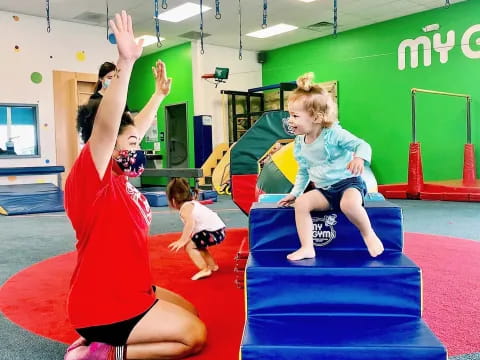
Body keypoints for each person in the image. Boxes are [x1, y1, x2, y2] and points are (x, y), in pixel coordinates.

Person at [64, 10, 206, 360]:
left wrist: (158, 95)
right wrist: (125, 63)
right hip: (101, 303)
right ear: (107, 144)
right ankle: (101, 353)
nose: (136, 149)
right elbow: (107, 128)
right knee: (194, 336)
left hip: (132, 290)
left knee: (192, 311)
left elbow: (130, 129)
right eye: (127, 144)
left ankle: (103, 341)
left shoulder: (119, 175)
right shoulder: (91, 178)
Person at [278, 72, 384, 261]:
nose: (290, 120)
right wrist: (295, 193)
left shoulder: (334, 134)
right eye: (289, 115)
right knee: (301, 204)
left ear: (317, 118)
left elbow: (362, 145)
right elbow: (303, 170)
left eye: (295, 115)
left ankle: (369, 234)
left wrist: (359, 159)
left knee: (348, 205)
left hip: (349, 184)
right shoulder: (299, 144)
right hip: (325, 191)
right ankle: (307, 247)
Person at [166, 178, 226, 281]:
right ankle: (212, 266)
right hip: (219, 231)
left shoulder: (185, 208)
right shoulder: (192, 203)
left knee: (189, 246)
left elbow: (190, 223)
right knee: (198, 243)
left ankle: (204, 269)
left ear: (173, 201)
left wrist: (183, 240)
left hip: (212, 232)